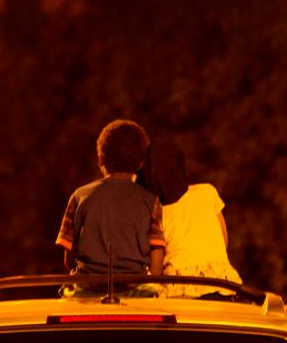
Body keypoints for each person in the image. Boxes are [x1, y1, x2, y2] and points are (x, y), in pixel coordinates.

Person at [55, 119, 166, 278]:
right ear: (141, 163)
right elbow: (156, 268)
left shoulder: (79, 196)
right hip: (135, 290)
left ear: (100, 159)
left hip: (86, 288)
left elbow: (69, 261)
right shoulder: (151, 201)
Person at [138, 139, 242, 298]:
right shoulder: (207, 192)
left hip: (181, 290)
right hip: (222, 284)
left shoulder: (157, 212)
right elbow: (224, 240)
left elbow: (156, 271)